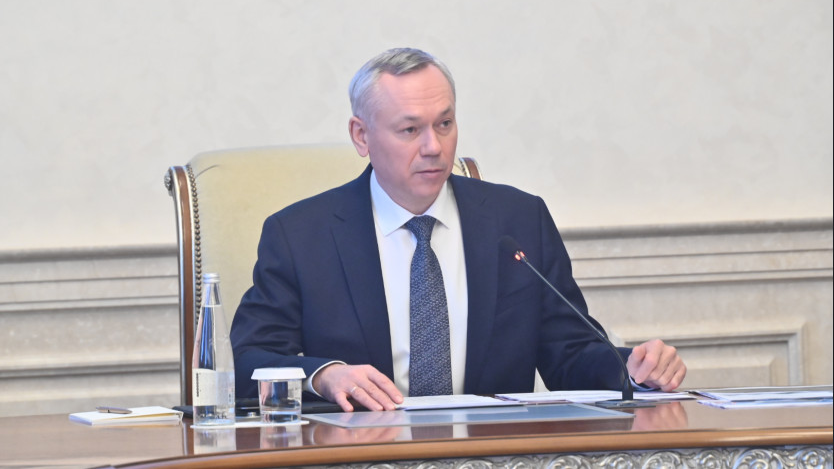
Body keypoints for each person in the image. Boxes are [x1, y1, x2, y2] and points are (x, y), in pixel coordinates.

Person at [230, 47, 686, 412]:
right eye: (410, 130)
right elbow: (252, 360)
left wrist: (633, 369)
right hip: (361, 455)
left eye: (444, 124)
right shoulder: (301, 235)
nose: (434, 146)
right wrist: (324, 375)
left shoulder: (518, 220)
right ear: (361, 136)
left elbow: (569, 353)